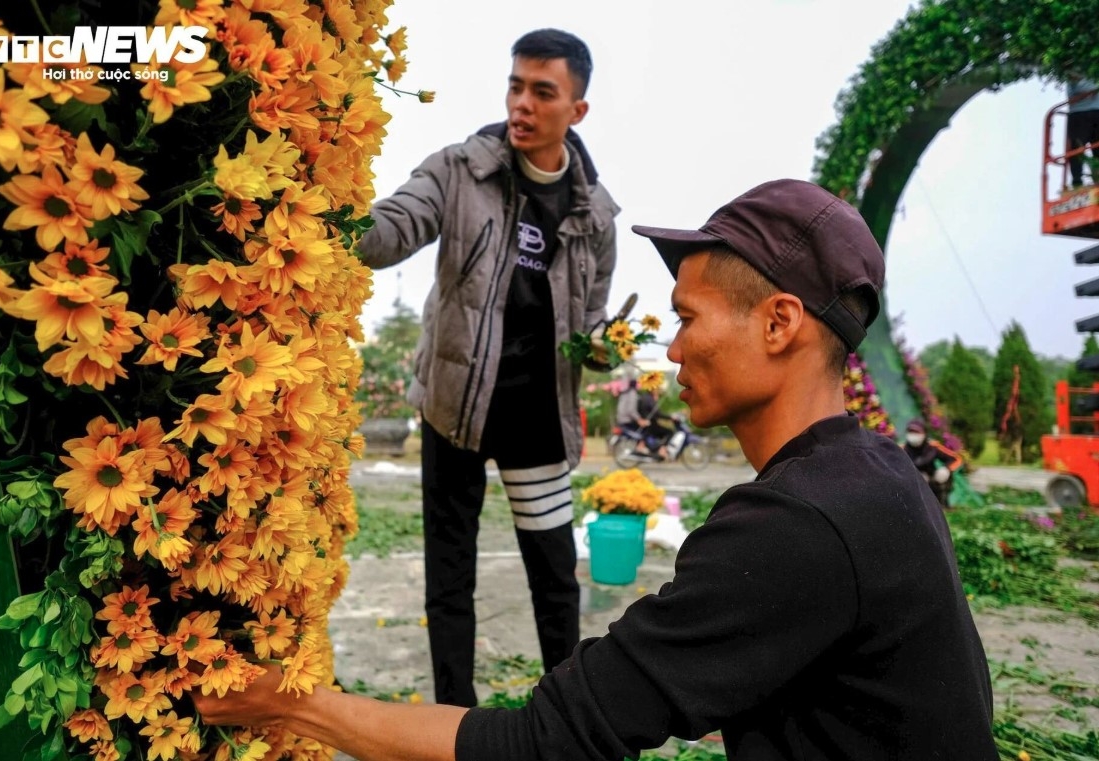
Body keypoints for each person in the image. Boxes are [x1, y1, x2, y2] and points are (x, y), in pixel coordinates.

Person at [194, 179, 998, 760]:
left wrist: (290, 704)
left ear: (780, 322)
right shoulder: (877, 473)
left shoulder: (795, 526)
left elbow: (538, 743)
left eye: (686, 319)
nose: (673, 348)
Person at [354, 29, 619, 707]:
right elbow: (394, 227)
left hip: (536, 418)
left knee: (554, 574)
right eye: (514, 85)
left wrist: (602, 345)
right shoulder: (457, 171)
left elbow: (589, 319)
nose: (521, 104)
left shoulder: (595, 216)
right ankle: (453, 717)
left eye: (542, 91)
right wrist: (335, 218)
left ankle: (566, 713)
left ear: (576, 110)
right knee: (451, 575)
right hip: (454, 408)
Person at [903, 418, 964, 507]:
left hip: (933, 480)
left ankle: (943, 504)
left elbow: (956, 459)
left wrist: (946, 469)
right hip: (913, 483)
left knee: (943, 475)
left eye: (917, 432)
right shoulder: (902, 449)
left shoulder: (933, 447)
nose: (913, 435)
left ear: (924, 434)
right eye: (911, 432)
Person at [615, 379, 671, 459]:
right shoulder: (632, 394)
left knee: (647, 425)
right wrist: (639, 420)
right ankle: (641, 446)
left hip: (622, 418)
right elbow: (631, 411)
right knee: (647, 426)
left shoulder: (626, 394)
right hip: (627, 419)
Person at [1067, 78, 1099, 187]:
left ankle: (1097, 179)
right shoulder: (1074, 66)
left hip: (1095, 111)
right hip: (1079, 114)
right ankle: (1077, 181)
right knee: (1077, 150)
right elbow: (1077, 82)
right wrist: (1094, 89)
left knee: (1097, 149)